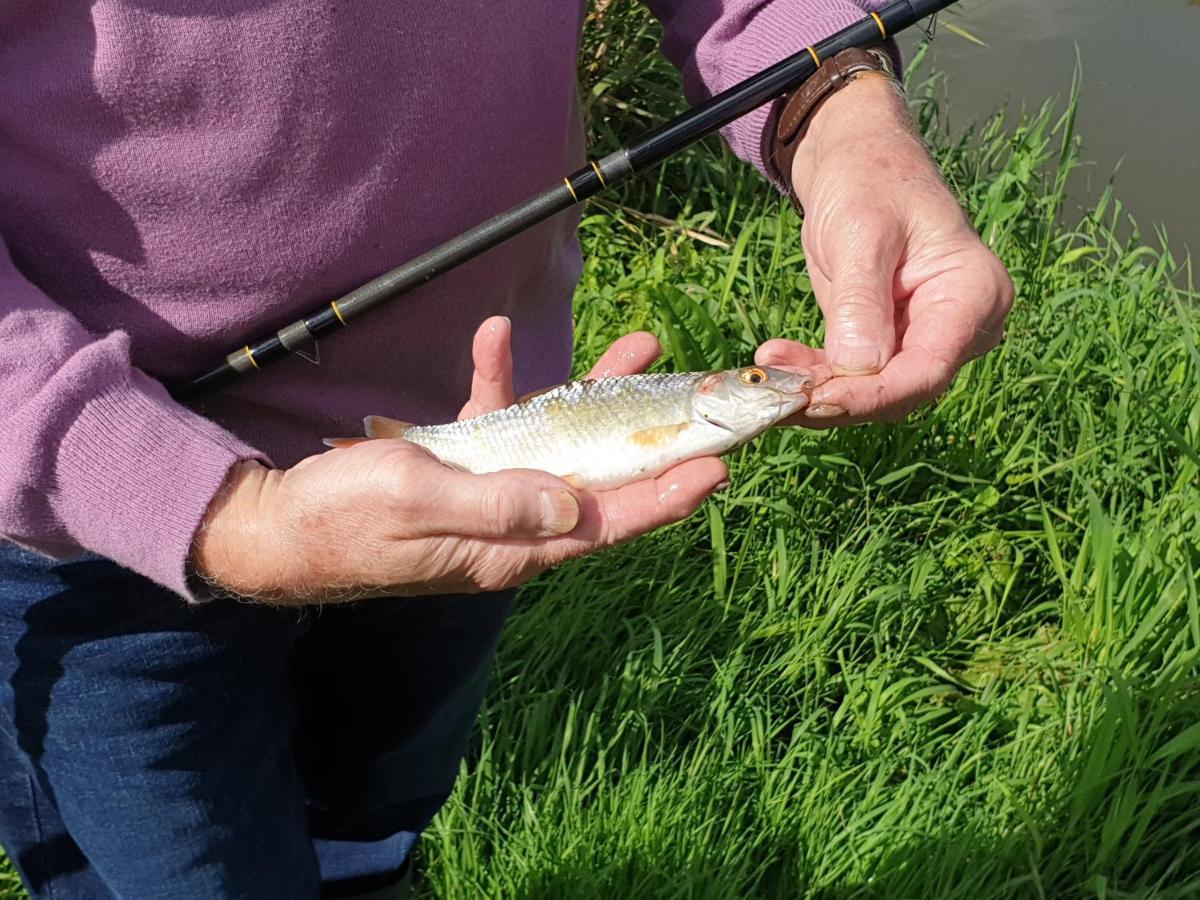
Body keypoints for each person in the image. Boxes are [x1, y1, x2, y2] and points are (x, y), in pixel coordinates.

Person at [0, 0, 1012, 896]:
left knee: (378, 804)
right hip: (90, 534)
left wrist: (842, 116)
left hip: (473, 459)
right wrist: (216, 511)